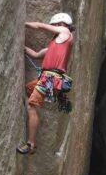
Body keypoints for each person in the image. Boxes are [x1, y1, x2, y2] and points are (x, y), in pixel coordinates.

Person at [16, 12, 75, 155]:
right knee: (29, 88)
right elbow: (35, 55)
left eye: (54, 25)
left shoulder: (65, 32)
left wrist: (22, 23)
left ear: (61, 24)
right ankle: (35, 110)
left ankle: (30, 144)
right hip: (47, 79)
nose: (53, 28)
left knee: (31, 106)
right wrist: (22, 47)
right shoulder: (54, 46)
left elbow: (40, 26)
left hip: (50, 78)